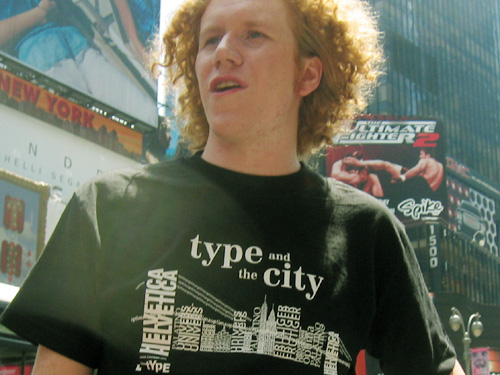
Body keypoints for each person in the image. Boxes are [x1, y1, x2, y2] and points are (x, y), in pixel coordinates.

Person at [0, 0, 465, 374]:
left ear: (307, 74)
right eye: (209, 39)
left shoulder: (369, 233)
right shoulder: (107, 208)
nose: (223, 51)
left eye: (254, 34)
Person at [0, 0, 158, 125]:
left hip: (79, 46)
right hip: (42, 59)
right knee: (83, 126)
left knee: (147, 115)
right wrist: (39, 13)